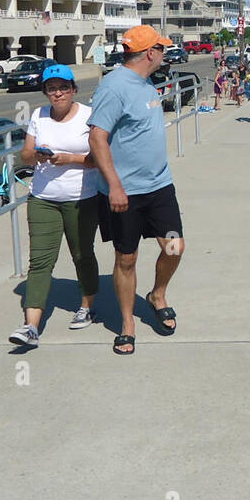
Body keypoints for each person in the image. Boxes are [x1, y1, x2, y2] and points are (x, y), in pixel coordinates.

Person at [88, 26, 185, 355]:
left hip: (159, 186)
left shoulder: (145, 82)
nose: (164, 53)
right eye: (162, 48)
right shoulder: (114, 87)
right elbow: (97, 137)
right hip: (124, 193)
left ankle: (157, 294)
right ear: (149, 53)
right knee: (126, 259)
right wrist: (114, 185)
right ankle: (127, 324)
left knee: (174, 247)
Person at [8, 65, 99, 346]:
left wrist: (68, 159)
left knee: (82, 255)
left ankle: (87, 305)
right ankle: (30, 327)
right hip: (43, 198)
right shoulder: (39, 115)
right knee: (40, 262)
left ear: (73, 89)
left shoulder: (89, 116)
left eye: (62, 87)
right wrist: (37, 155)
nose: (57, 93)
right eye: (51, 88)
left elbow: (98, 159)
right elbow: (24, 155)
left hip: (81, 198)